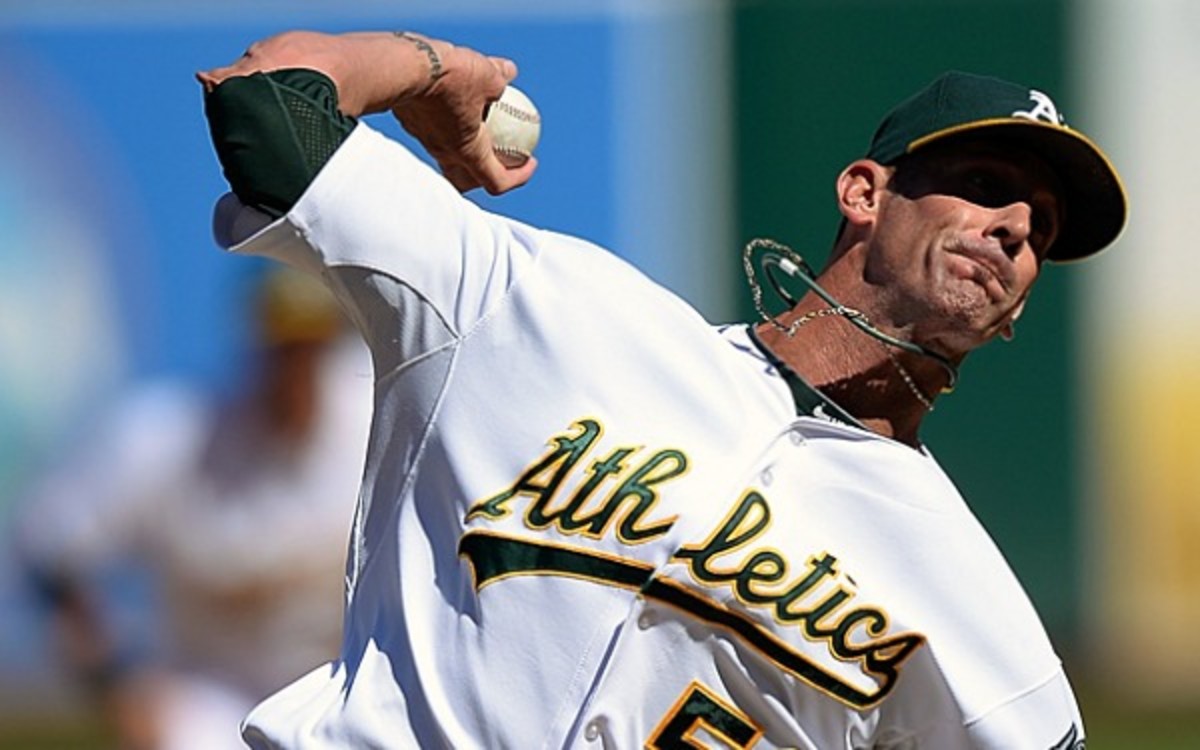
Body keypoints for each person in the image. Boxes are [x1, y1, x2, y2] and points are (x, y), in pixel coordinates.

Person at [196, 29, 1126, 749]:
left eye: (1042, 230)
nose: (1014, 226)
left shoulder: (976, 607)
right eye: (982, 183)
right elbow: (263, 100)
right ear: (863, 193)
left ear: (1016, 311)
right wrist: (434, 71)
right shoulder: (547, 307)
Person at [14, 267, 373, 750]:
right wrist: (117, 682)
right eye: (284, 350)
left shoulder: (379, 424)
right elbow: (46, 545)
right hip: (211, 691)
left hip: (342, 686)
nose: (295, 370)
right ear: (256, 347)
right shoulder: (173, 439)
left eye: (309, 349)